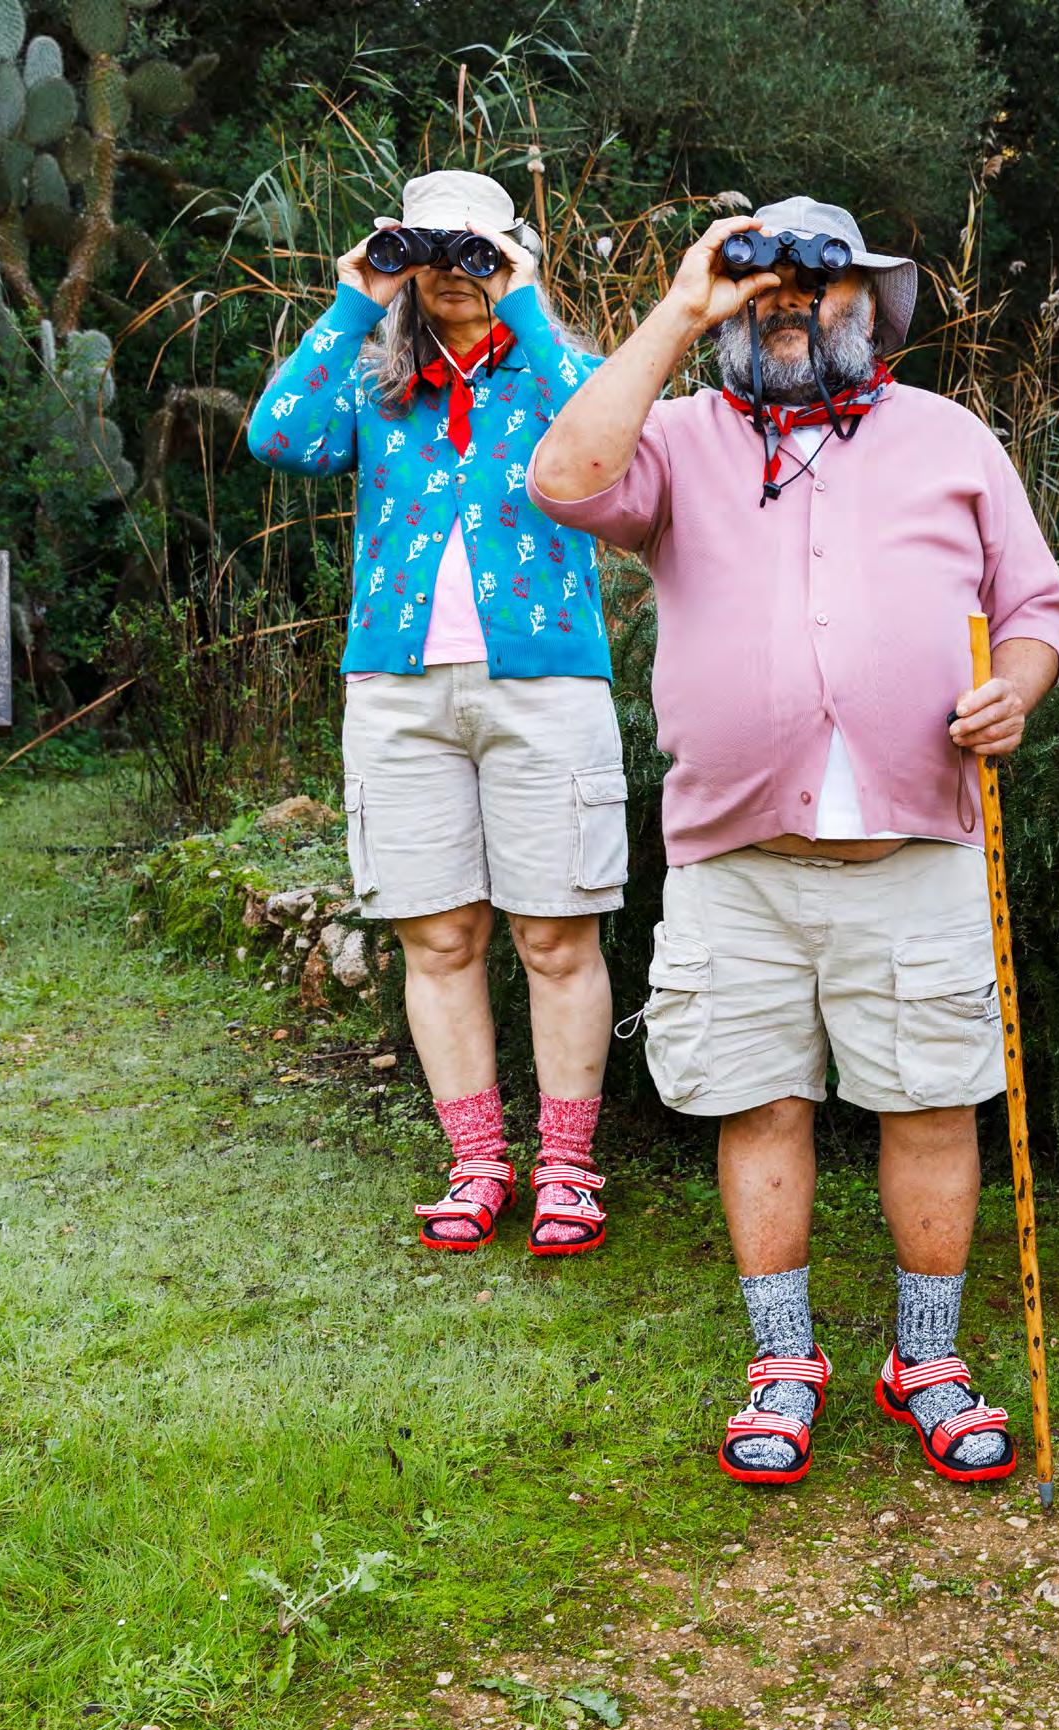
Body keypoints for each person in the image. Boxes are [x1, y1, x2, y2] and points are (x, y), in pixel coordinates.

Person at [528, 197, 1059, 1487]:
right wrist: (682, 305)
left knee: (929, 1103)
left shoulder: (949, 436)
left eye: (816, 280)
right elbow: (561, 481)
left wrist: (1019, 688)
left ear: (867, 304)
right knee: (758, 1102)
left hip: (916, 851)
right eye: (759, 281)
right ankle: (782, 1362)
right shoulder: (676, 437)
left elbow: (1032, 604)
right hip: (737, 862)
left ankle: (925, 1360)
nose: (785, 299)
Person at [253, 169, 623, 1259]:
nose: (455, 272)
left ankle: (567, 1167)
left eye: (478, 252)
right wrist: (354, 299)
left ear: (514, 258)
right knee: (438, 933)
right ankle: (476, 1161)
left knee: (555, 933)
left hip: (545, 680)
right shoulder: (376, 387)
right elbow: (278, 437)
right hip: (398, 686)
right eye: (434, 252)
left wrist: (522, 301)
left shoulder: (551, 373)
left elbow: (613, 435)